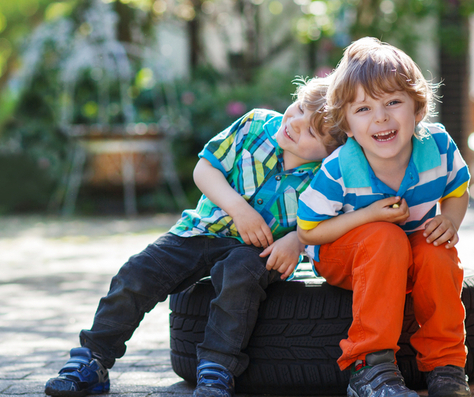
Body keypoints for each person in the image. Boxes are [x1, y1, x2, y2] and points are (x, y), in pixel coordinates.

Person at [44, 76, 341, 397]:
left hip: (256, 251)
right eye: (297, 108)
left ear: (330, 151)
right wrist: (238, 210)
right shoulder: (255, 126)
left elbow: (327, 221)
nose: (295, 123)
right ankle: (93, 359)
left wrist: (296, 241)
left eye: (310, 130)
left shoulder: (326, 174)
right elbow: (204, 169)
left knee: (239, 282)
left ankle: (216, 372)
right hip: (202, 229)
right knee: (138, 272)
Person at [296, 37, 472, 397]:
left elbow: (457, 190)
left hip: (405, 255)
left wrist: (450, 221)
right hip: (344, 256)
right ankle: (370, 368)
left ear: (418, 109)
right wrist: (367, 217)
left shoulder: (437, 147)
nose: (381, 117)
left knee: (437, 249)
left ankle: (446, 365)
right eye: (363, 109)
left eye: (393, 102)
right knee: (383, 236)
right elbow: (309, 231)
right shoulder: (338, 170)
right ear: (346, 124)